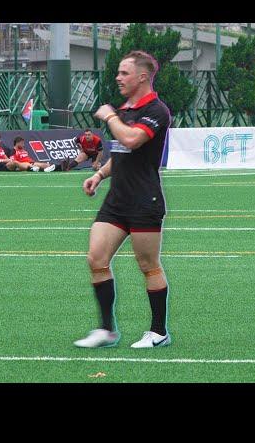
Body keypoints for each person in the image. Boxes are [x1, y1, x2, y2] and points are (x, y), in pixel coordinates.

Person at [73, 50, 172, 349]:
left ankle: (158, 332)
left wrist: (111, 116)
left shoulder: (156, 110)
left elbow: (131, 139)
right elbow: (121, 152)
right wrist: (100, 175)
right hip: (117, 200)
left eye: (124, 73)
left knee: (148, 265)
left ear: (142, 76)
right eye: (118, 72)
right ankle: (107, 330)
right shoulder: (124, 109)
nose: (118, 77)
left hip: (145, 198)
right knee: (96, 258)